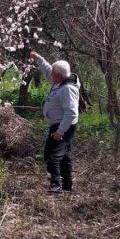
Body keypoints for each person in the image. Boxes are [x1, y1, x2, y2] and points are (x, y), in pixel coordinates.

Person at [29, 51, 80, 194]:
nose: (50, 76)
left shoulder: (67, 89)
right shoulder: (60, 80)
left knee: (52, 155)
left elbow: (71, 112)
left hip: (62, 125)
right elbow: (47, 71)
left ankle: (56, 186)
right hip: (58, 124)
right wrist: (38, 58)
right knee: (64, 155)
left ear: (58, 75)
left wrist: (60, 132)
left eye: (53, 74)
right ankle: (67, 186)